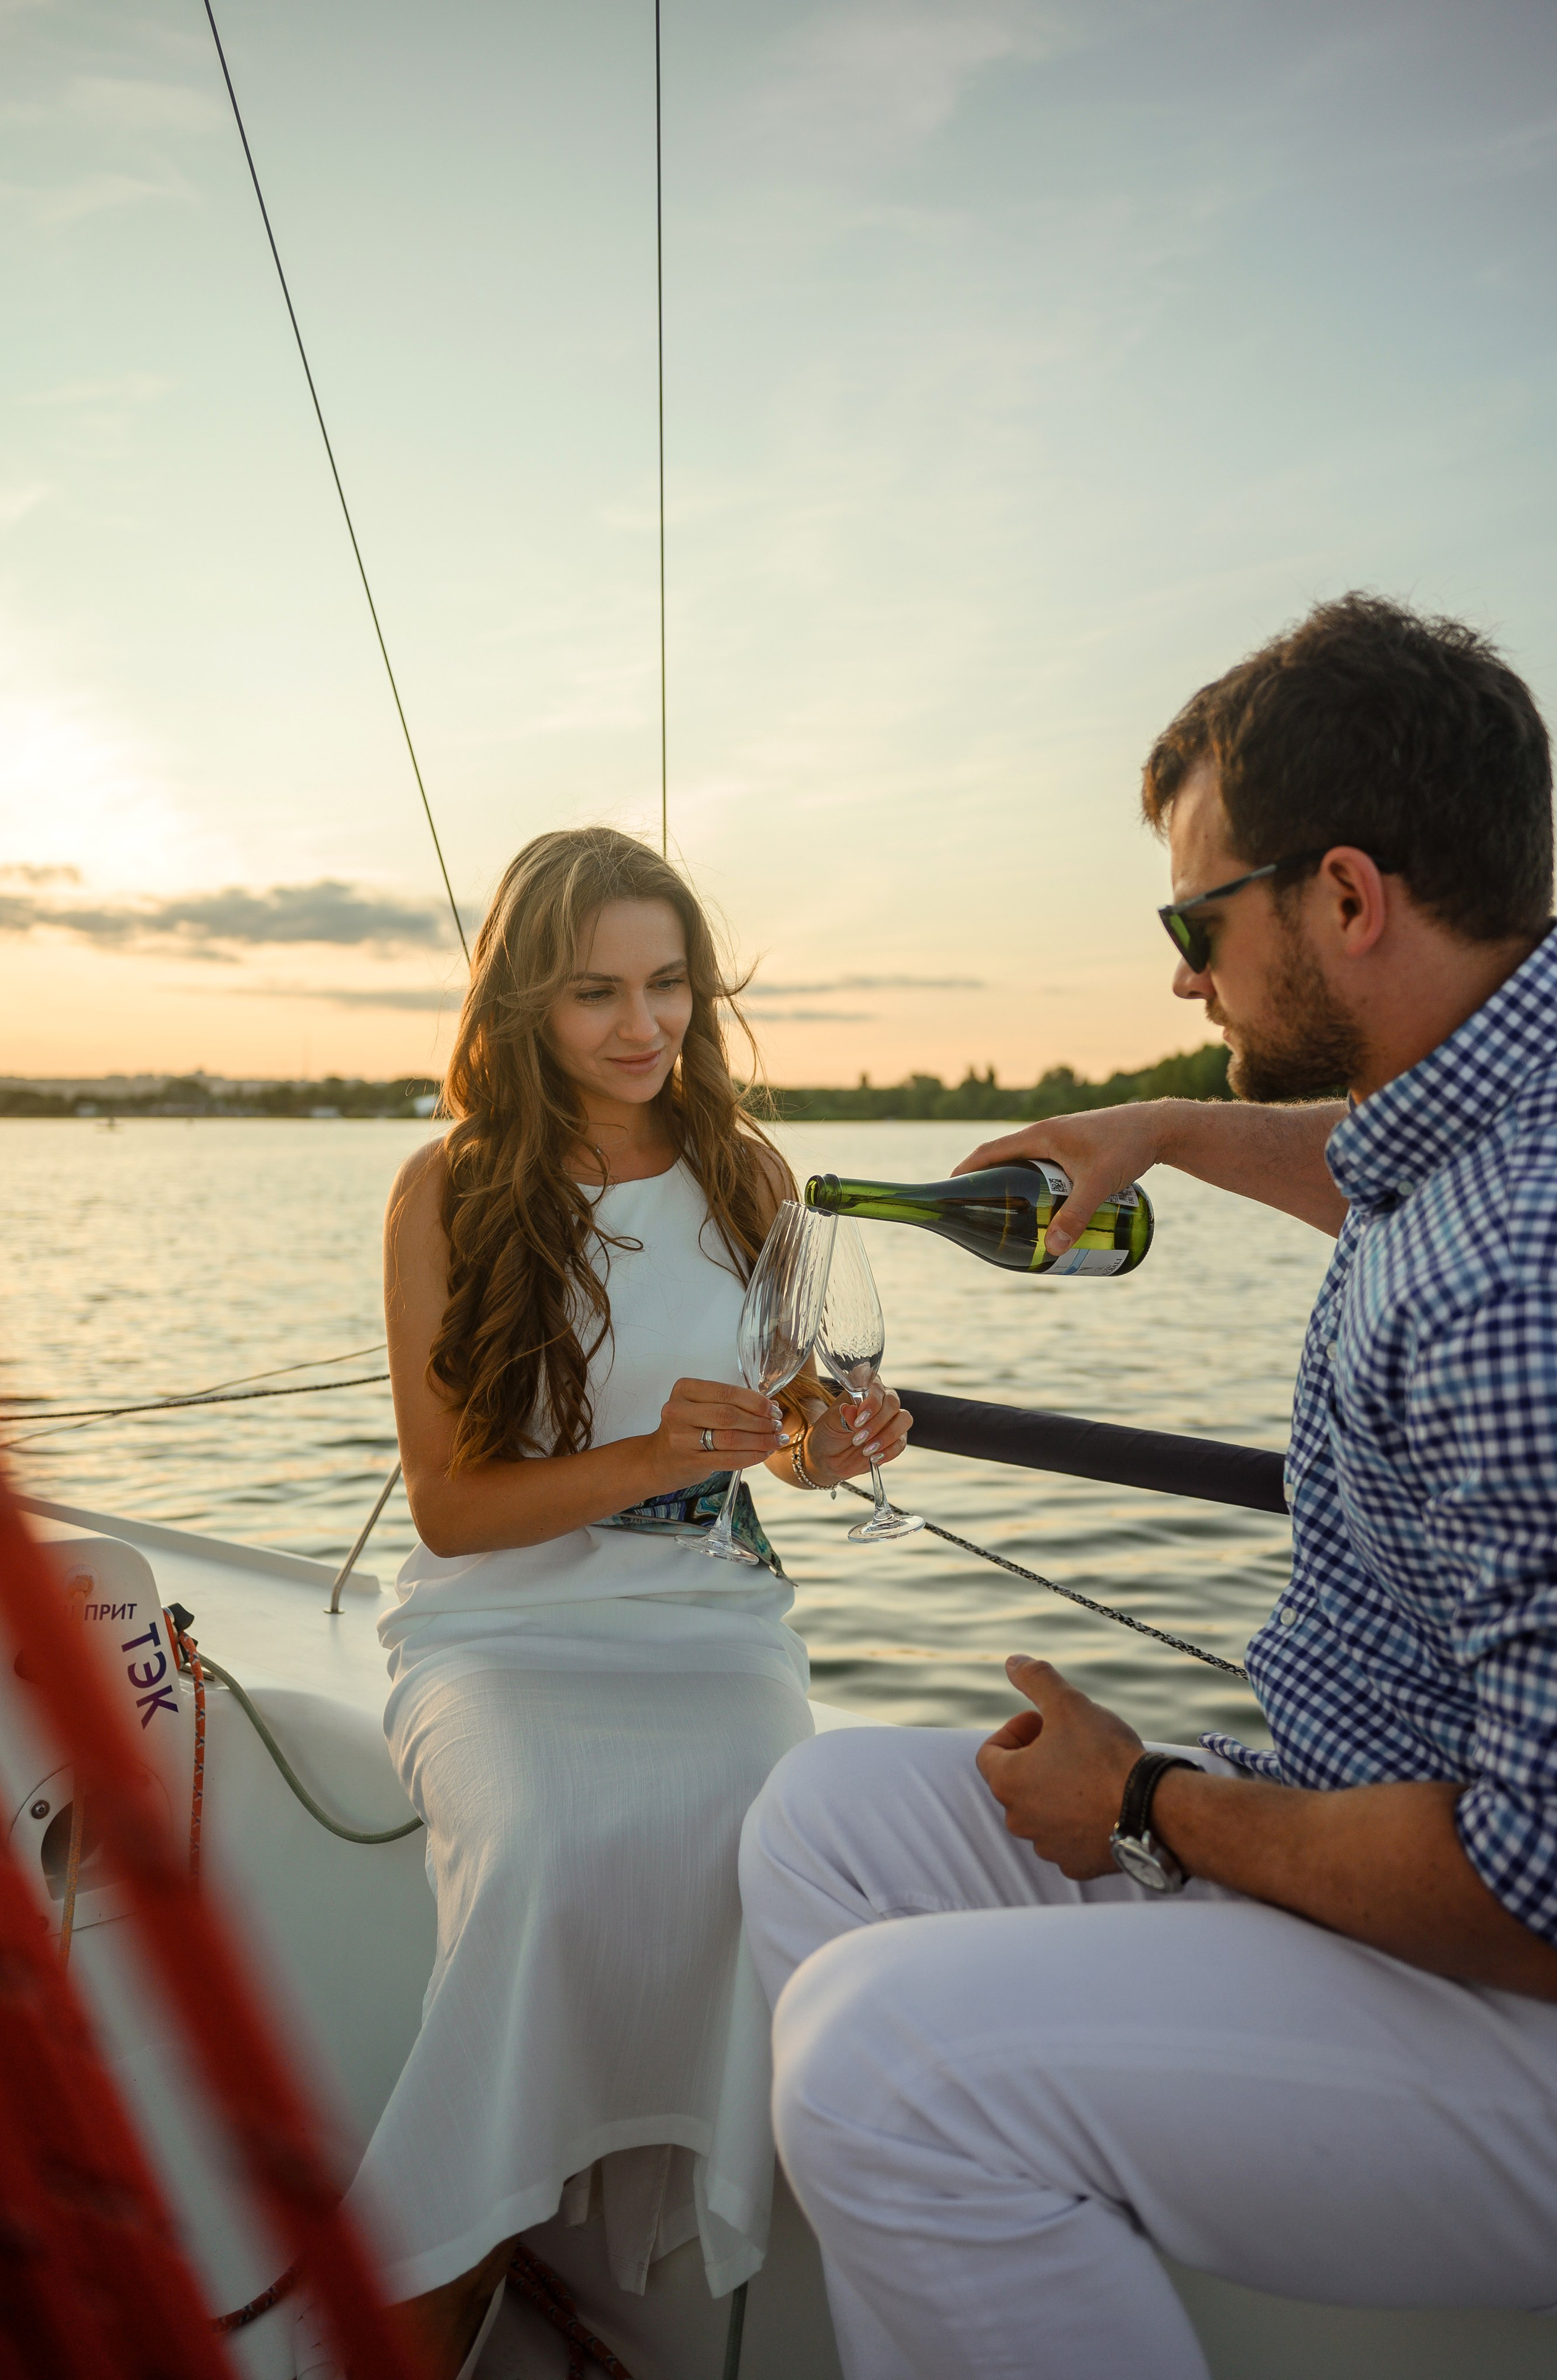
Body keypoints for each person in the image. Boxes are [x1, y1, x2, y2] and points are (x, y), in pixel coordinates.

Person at [739, 594, 1557, 2379]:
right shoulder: (1497, 1106)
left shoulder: (1521, 1268)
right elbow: (1390, 1170)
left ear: (1348, 897)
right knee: (825, 1827)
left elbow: (1539, 1885)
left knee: (887, 2060)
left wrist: (1152, 1804)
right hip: (1365, 1819)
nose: (1182, 976)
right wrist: (1168, 1126)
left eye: (1200, 920)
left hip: (1511, 1997)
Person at [297, 826, 910, 2380]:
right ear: (520, 1003)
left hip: (704, 1622)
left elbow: (775, 1436)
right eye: (594, 993)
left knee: (761, 1826)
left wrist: (829, 1442)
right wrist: (645, 1452)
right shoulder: (444, 1191)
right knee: (549, 1855)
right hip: (498, 1631)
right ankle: (445, 2256)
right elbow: (448, 1507)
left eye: (668, 985)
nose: (644, 1029)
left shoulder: (749, 1173)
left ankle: (610, 2239)